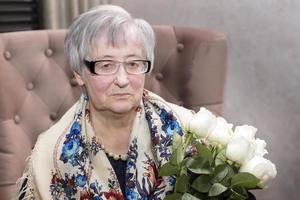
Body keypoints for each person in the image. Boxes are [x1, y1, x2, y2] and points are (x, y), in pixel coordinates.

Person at [16, 5, 256, 200]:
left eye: (133, 64)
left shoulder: (190, 130)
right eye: (106, 65)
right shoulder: (50, 152)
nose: (122, 80)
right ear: (79, 73)